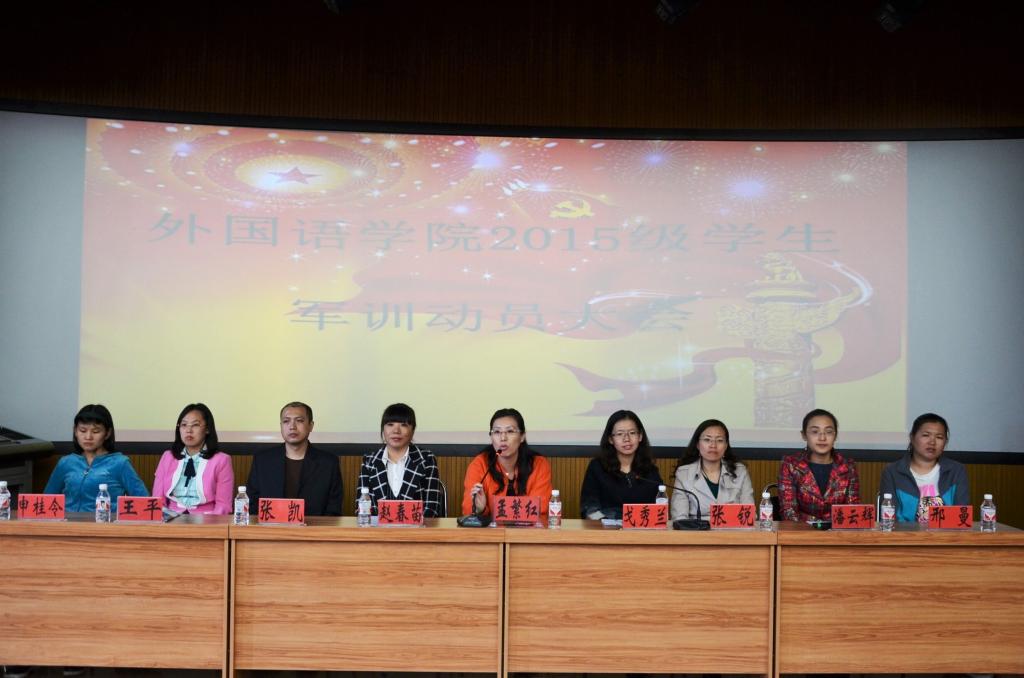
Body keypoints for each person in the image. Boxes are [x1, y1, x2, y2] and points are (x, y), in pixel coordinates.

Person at [43, 404, 148, 511]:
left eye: (95, 431)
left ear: (107, 433)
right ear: (75, 431)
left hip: (106, 520)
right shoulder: (66, 463)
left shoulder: (120, 463)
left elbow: (144, 501)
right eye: (82, 430)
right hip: (68, 521)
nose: (88, 437)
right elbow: (47, 500)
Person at [246, 402, 343, 517]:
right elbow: (252, 505)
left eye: (299, 421)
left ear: (311, 426)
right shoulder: (263, 460)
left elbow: (333, 509)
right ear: (281, 426)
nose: (292, 426)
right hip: (270, 527)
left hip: (314, 527)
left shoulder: (328, 463)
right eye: (286, 421)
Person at [462, 408, 552, 521]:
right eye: (497, 432)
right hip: (490, 532)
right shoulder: (480, 465)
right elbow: (468, 509)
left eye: (510, 431)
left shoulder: (538, 465)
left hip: (529, 531)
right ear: (491, 437)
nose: (503, 438)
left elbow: (540, 508)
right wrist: (481, 510)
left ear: (522, 436)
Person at [879, 412, 968, 523]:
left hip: (946, 533)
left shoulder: (956, 471)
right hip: (904, 533)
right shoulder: (893, 472)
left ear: (945, 442)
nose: (932, 442)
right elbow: (889, 518)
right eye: (926, 435)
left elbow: (961, 515)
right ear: (912, 438)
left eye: (939, 437)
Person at [356, 403, 442, 517]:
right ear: (383, 429)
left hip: (418, 528)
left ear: (413, 430)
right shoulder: (369, 462)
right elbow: (361, 507)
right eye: (390, 424)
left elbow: (431, 508)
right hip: (377, 528)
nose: (396, 430)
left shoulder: (426, 460)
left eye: (403, 425)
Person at [579, 410, 663, 520]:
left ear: (640, 436)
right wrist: (604, 521)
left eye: (632, 433)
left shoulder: (650, 470)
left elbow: (659, 509)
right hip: (605, 528)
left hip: (641, 529)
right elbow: (589, 507)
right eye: (619, 434)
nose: (626, 439)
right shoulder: (597, 468)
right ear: (610, 439)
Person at [779, 408, 860, 522]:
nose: (822, 438)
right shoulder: (791, 465)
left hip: (838, 532)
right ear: (804, 435)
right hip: (800, 531)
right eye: (815, 432)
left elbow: (852, 510)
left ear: (835, 436)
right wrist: (817, 527)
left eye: (828, 432)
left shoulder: (848, 467)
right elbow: (788, 511)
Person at [152, 403, 234, 515]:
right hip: (171, 517)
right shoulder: (168, 457)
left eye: (195, 425)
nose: (188, 430)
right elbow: (157, 500)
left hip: (207, 519)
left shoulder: (222, 460)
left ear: (207, 429)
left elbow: (223, 505)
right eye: (184, 425)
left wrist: (211, 523)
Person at [670, 418, 754, 520]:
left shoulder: (740, 472)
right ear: (698, 444)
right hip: (697, 529)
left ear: (726, 446)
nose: (713, 445)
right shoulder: (684, 474)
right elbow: (679, 518)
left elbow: (749, 514)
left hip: (733, 528)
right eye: (707, 440)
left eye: (719, 440)